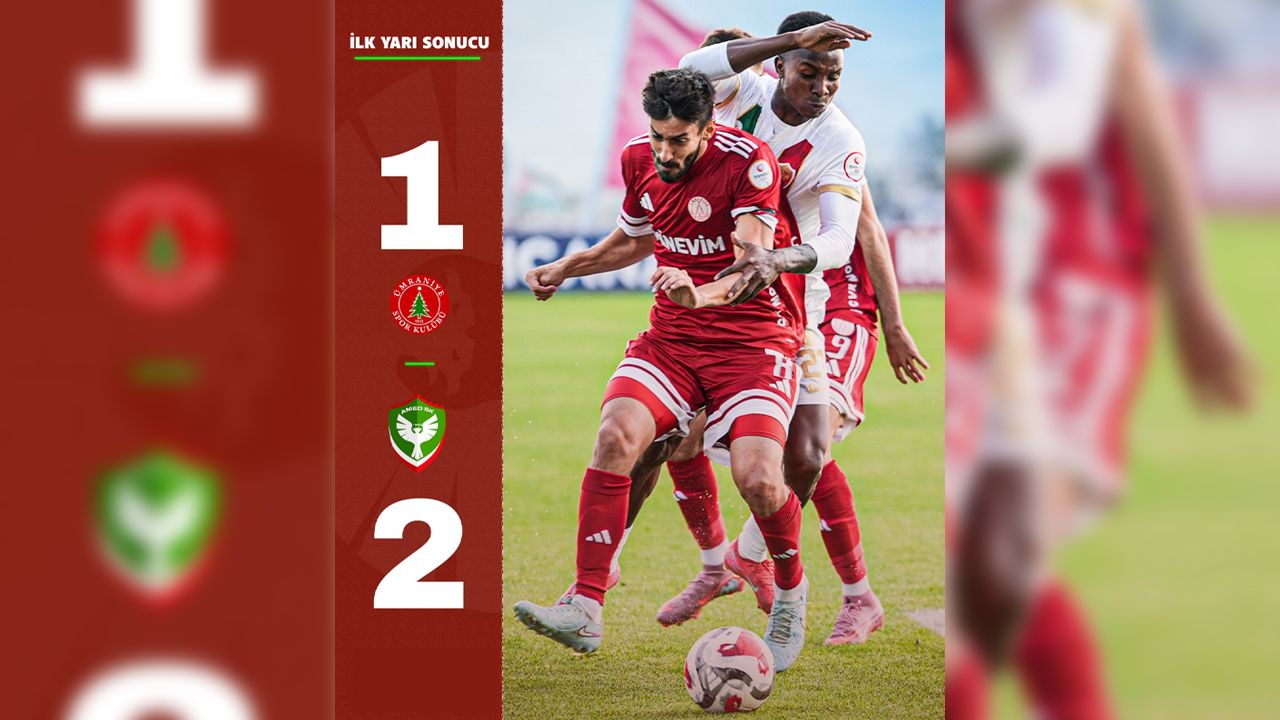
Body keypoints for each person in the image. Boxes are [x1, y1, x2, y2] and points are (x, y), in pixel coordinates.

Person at [943, 0, 1256, 716]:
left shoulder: (1091, 16)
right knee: (978, 575)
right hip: (984, 290)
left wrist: (1193, 297)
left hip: (1082, 291)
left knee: (1004, 561)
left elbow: (1092, 120)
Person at [621, 12, 930, 647]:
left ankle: (803, 575)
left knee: (810, 451)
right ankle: (700, 566)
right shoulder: (735, 109)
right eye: (810, 70)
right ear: (777, 64)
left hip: (821, 299)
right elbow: (694, 71)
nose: (823, 86)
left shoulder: (838, 140)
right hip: (740, 300)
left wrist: (895, 323)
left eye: (832, 74)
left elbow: (858, 232)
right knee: (677, 435)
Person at [514, 67, 815, 671]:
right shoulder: (638, 158)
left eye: (679, 140)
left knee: (760, 479)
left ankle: (789, 599)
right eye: (658, 136)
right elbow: (634, 240)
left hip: (751, 345)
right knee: (616, 436)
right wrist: (567, 267)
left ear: (707, 129)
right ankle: (585, 605)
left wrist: (697, 295)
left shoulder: (749, 162)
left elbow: (752, 267)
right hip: (673, 341)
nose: (665, 151)